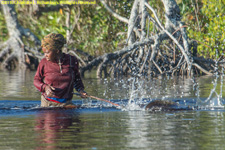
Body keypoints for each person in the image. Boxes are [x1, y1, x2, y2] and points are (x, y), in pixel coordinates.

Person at [34, 33, 87, 107]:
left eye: (47, 52)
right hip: (48, 103)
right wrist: (45, 87)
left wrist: (81, 90)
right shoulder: (44, 62)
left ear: (57, 51)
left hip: (67, 103)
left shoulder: (72, 60)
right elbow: (36, 80)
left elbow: (77, 79)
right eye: (44, 52)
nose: (45, 55)